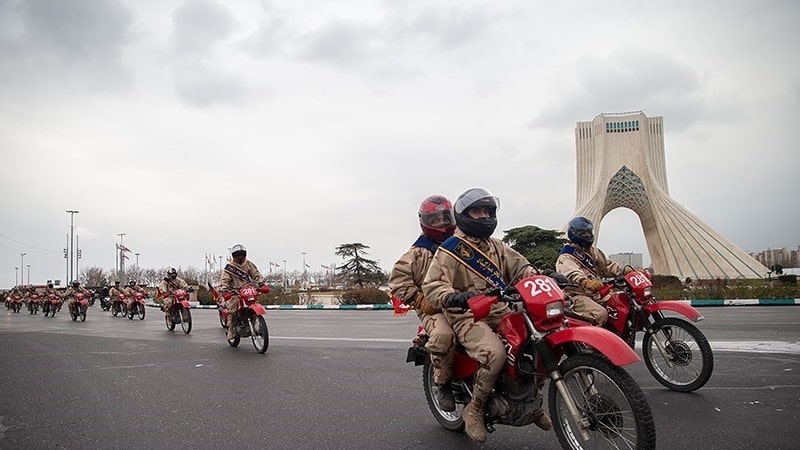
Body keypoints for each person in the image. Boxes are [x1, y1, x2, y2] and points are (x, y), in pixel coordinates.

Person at [422, 188, 552, 443]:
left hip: (502, 309)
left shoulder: (497, 246)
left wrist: (543, 276)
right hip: (467, 316)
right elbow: (432, 285)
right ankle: (475, 409)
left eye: (487, 211)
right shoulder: (449, 250)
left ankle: (532, 403)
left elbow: (522, 266)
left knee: (538, 345)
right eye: (476, 211)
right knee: (495, 354)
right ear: (463, 215)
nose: (483, 216)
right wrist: (453, 296)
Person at [389, 195, 458, 411]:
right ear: (424, 222)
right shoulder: (417, 253)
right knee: (443, 335)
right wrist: (420, 300)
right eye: (435, 219)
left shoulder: (463, 245)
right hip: (434, 309)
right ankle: (443, 382)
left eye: (445, 218)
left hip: (465, 302)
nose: (441, 224)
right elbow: (397, 282)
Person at [555, 216, 633, 326]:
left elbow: (608, 266)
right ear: (574, 233)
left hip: (597, 293)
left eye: (588, 232)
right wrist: (585, 282)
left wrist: (625, 271)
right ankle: (592, 342)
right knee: (601, 314)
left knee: (620, 304)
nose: (587, 235)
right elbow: (572, 272)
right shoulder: (567, 256)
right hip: (577, 295)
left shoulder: (593, 252)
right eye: (583, 233)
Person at [217, 244, 266, 340]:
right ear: (234, 256)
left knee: (254, 302)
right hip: (234, 291)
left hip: (248, 289)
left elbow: (256, 274)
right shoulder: (229, 268)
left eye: (242, 254)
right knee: (232, 309)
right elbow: (224, 280)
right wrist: (225, 290)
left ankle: (255, 321)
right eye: (237, 255)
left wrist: (261, 284)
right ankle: (231, 329)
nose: (240, 257)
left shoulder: (248, 264)